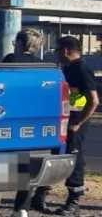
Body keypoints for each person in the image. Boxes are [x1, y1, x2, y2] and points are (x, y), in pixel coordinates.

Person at [35, 36, 98, 217]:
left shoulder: (82, 69)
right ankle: (39, 196)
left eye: (56, 51)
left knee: (75, 160)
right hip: (63, 122)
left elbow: (93, 101)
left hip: (74, 126)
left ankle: (74, 202)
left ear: (65, 51)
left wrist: (78, 122)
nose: (56, 55)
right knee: (53, 157)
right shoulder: (67, 69)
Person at [7, 29, 47, 216]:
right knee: (27, 165)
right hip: (32, 121)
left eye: (16, 42)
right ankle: (21, 208)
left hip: (8, 118)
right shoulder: (43, 66)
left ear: (21, 44)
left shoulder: (10, 60)